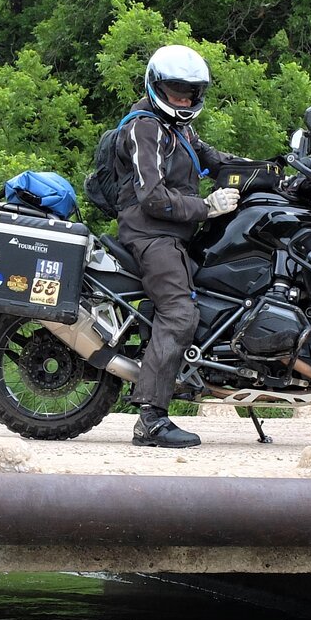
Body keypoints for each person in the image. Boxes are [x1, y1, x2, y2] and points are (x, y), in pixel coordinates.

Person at [113, 45, 241, 448]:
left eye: (190, 92)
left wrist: (275, 173)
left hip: (175, 232)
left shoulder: (180, 129)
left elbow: (214, 159)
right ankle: (150, 419)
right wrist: (206, 206)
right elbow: (151, 196)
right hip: (150, 233)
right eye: (175, 91)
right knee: (180, 313)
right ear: (156, 87)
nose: (183, 99)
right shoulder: (144, 127)